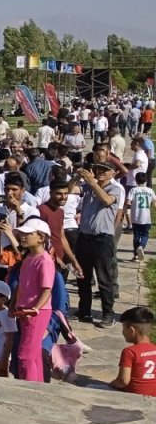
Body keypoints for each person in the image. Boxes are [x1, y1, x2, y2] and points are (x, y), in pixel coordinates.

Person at [0, 217, 55, 382]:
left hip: (36, 313)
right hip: (23, 310)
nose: (23, 237)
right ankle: (37, 385)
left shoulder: (45, 261)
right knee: (33, 354)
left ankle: (28, 388)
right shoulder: (28, 258)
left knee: (25, 356)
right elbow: (21, 284)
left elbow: (47, 290)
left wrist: (35, 308)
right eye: (22, 234)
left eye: (28, 234)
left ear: (41, 237)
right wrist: (13, 304)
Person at [72, 160, 125, 326]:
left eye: (105, 170)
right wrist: (76, 176)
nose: (100, 171)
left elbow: (107, 200)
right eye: (98, 169)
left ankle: (108, 313)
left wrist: (93, 183)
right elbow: (69, 190)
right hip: (85, 237)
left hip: (102, 239)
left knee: (104, 278)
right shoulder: (87, 187)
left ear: (113, 173)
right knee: (83, 276)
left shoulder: (115, 188)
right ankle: (84, 310)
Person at [108, 307, 156, 397]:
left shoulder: (129, 352)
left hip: (134, 397)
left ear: (131, 330)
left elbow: (123, 381)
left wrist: (112, 384)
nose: (122, 331)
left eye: (123, 328)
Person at [126, 172, 152, 261]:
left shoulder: (133, 190)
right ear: (146, 180)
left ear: (136, 180)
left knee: (136, 235)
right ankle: (141, 246)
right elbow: (154, 203)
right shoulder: (150, 191)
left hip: (135, 217)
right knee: (145, 234)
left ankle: (136, 255)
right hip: (146, 218)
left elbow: (128, 202)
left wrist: (129, 207)